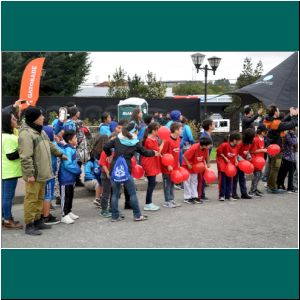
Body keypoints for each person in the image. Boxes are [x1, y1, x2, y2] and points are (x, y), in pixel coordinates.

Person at [18, 106, 66, 235]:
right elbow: (25, 157)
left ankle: (38, 220)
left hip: (43, 173)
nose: (43, 117)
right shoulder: (26, 134)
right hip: (34, 175)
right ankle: (29, 224)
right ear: (34, 119)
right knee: (31, 199)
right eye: (41, 116)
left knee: (39, 198)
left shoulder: (40, 131)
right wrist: (29, 174)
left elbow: (50, 145)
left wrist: (60, 154)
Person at [103, 122, 158, 222]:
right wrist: (154, 152)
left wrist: (109, 154)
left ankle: (115, 216)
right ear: (134, 131)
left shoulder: (117, 139)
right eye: (137, 130)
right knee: (132, 193)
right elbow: (145, 152)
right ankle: (137, 215)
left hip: (114, 168)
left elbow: (106, 146)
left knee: (115, 193)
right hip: (126, 169)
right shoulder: (135, 142)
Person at [263, 105, 298, 193]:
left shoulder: (268, 119)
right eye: (278, 110)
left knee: (272, 167)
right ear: (275, 112)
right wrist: (294, 116)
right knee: (275, 167)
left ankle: (270, 185)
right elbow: (291, 124)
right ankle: (272, 187)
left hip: (271, 148)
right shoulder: (275, 123)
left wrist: (290, 114)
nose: (279, 111)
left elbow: (281, 122)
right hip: (276, 149)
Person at [2, 111, 23, 229]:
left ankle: (3, 217)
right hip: (10, 171)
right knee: (8, 197)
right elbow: (11, 156)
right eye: (14, 119)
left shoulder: (3, 136)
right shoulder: (9, 138)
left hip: (5, 171)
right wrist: (22, 148)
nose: (16, 121)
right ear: (8, 122)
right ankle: (8, 219)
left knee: (4, 195)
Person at [58, 130, 82, 224]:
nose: (76, 139)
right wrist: (78, 170)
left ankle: (69, 211)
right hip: (65, 178)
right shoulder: (68, 149)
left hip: (71, 178)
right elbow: (67, 164)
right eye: (75, 138)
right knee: (65, 196)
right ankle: (64, 215)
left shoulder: (71, 148)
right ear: (69, 141)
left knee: (70, 196)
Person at [182, 137, 212, 204]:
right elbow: (184, 156)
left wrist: (208, 162)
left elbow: (207, 155)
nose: (210, 146)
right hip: (187, 165)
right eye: (209, 145)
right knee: (187, 181)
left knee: (194, 181)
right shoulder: (194, 148)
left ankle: (194, 196)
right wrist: (188, 164)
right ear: (204, 145)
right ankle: (187, 197)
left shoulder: (206, 149)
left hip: (195, 166)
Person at [141, 122, 163, 211]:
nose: (159, 132)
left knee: (152, 183)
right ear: (154, 131)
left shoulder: (154, 139)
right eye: (158, 130)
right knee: (151, 184)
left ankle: (149, 202)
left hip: (152, 163)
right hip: (149, 164)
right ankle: (148, 203)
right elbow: (158, 151)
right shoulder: (149, 140)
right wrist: (164, 142)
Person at [41, 125, 61, 225]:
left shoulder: (43, 144)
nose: (54, 134)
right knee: (48, 195)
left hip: (44, 173)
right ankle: (46, 216)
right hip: (50, 174)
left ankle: (43, 213)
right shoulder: (52, 144)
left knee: (44, 194)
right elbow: (60, 153)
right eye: (52, 133)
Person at [161, 122, 183, 208]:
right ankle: (167, 201)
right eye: (181, 129)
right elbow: (162, 154)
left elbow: (176, 153)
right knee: (167, 184)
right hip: (167, 167)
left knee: (172, 183)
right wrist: (168, 165)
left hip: (174, 166)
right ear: (176, 130)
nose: (182, 130)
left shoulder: (178, 139)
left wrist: (177, 163)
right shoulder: (167, 140)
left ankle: (172, 200)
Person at [216, 132, 242, 201]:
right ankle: (221, 195)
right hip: (223, 165)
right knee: (223, 181)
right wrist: (224, 157)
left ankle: (228, 195)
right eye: (239, 140)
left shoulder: (236, 147)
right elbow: (219, 152)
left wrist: (236, 160)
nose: (240, 142)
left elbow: (235, 154)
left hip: (230, 167)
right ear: (234, 140)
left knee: (230, 180)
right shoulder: (224, 145)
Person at [232, 128, 255, 200]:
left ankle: (244, 193)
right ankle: (233, 193)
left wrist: (248, 156)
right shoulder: (241, 142)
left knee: (242, 178)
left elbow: (247, 151)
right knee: (235, 178)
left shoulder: (248, 143)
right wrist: (241, 160)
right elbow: (235, 153)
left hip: (243, 163)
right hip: (237, 162)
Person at [248, 124, 268, 197]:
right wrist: (263, 150)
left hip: (260, 159)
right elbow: (252, 151)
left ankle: (255, 189)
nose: (266, 133)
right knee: (257, 175)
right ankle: (252, 191)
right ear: (261, 132)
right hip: (255, 159)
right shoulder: (255, 139)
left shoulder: (262, 139)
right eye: (265, 131)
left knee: (259, 175)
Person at [277, 128, 298, 193]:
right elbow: (293, 142)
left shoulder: (290, 134)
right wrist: (294, 135)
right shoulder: (288, 134)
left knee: (286, 172)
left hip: (291, 157)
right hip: (287, 157)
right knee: (286, 172)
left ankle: (284, 185)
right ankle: (289, 188)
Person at [98, 135, 115, 217]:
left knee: (114, 192)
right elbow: (102, 163)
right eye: (112, 140)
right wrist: (108, 173)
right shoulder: (105, 151)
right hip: (106, 175)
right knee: (106, 193)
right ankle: (104, 210)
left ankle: (112, 208)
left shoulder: (116, 151)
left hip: (113, 174)